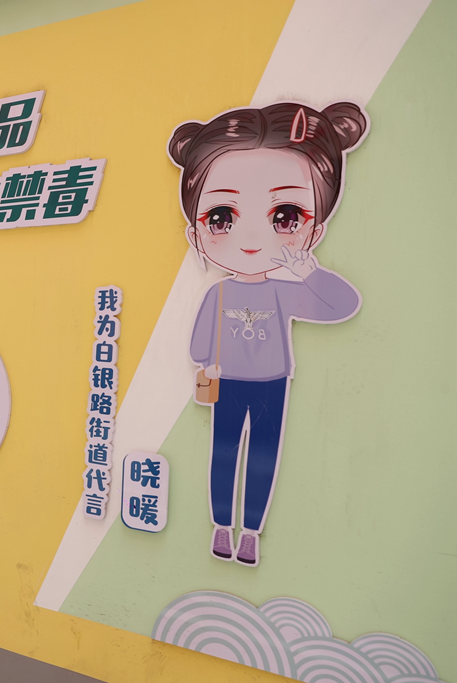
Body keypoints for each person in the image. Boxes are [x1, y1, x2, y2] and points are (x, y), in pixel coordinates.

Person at [169, 102, 367, 567]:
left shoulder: (281, 291)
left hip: (270, 383)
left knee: (252, 457)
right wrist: (206, 366)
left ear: (314, 229)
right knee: (234, 454)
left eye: (285, 217)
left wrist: (309, 273)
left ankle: (248, 531)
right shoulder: (221, 292)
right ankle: (225, 528)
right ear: (197, 233)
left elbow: (342, 305)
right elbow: (198, 345)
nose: (253, 239)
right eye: (222, 217)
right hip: (234, 383)